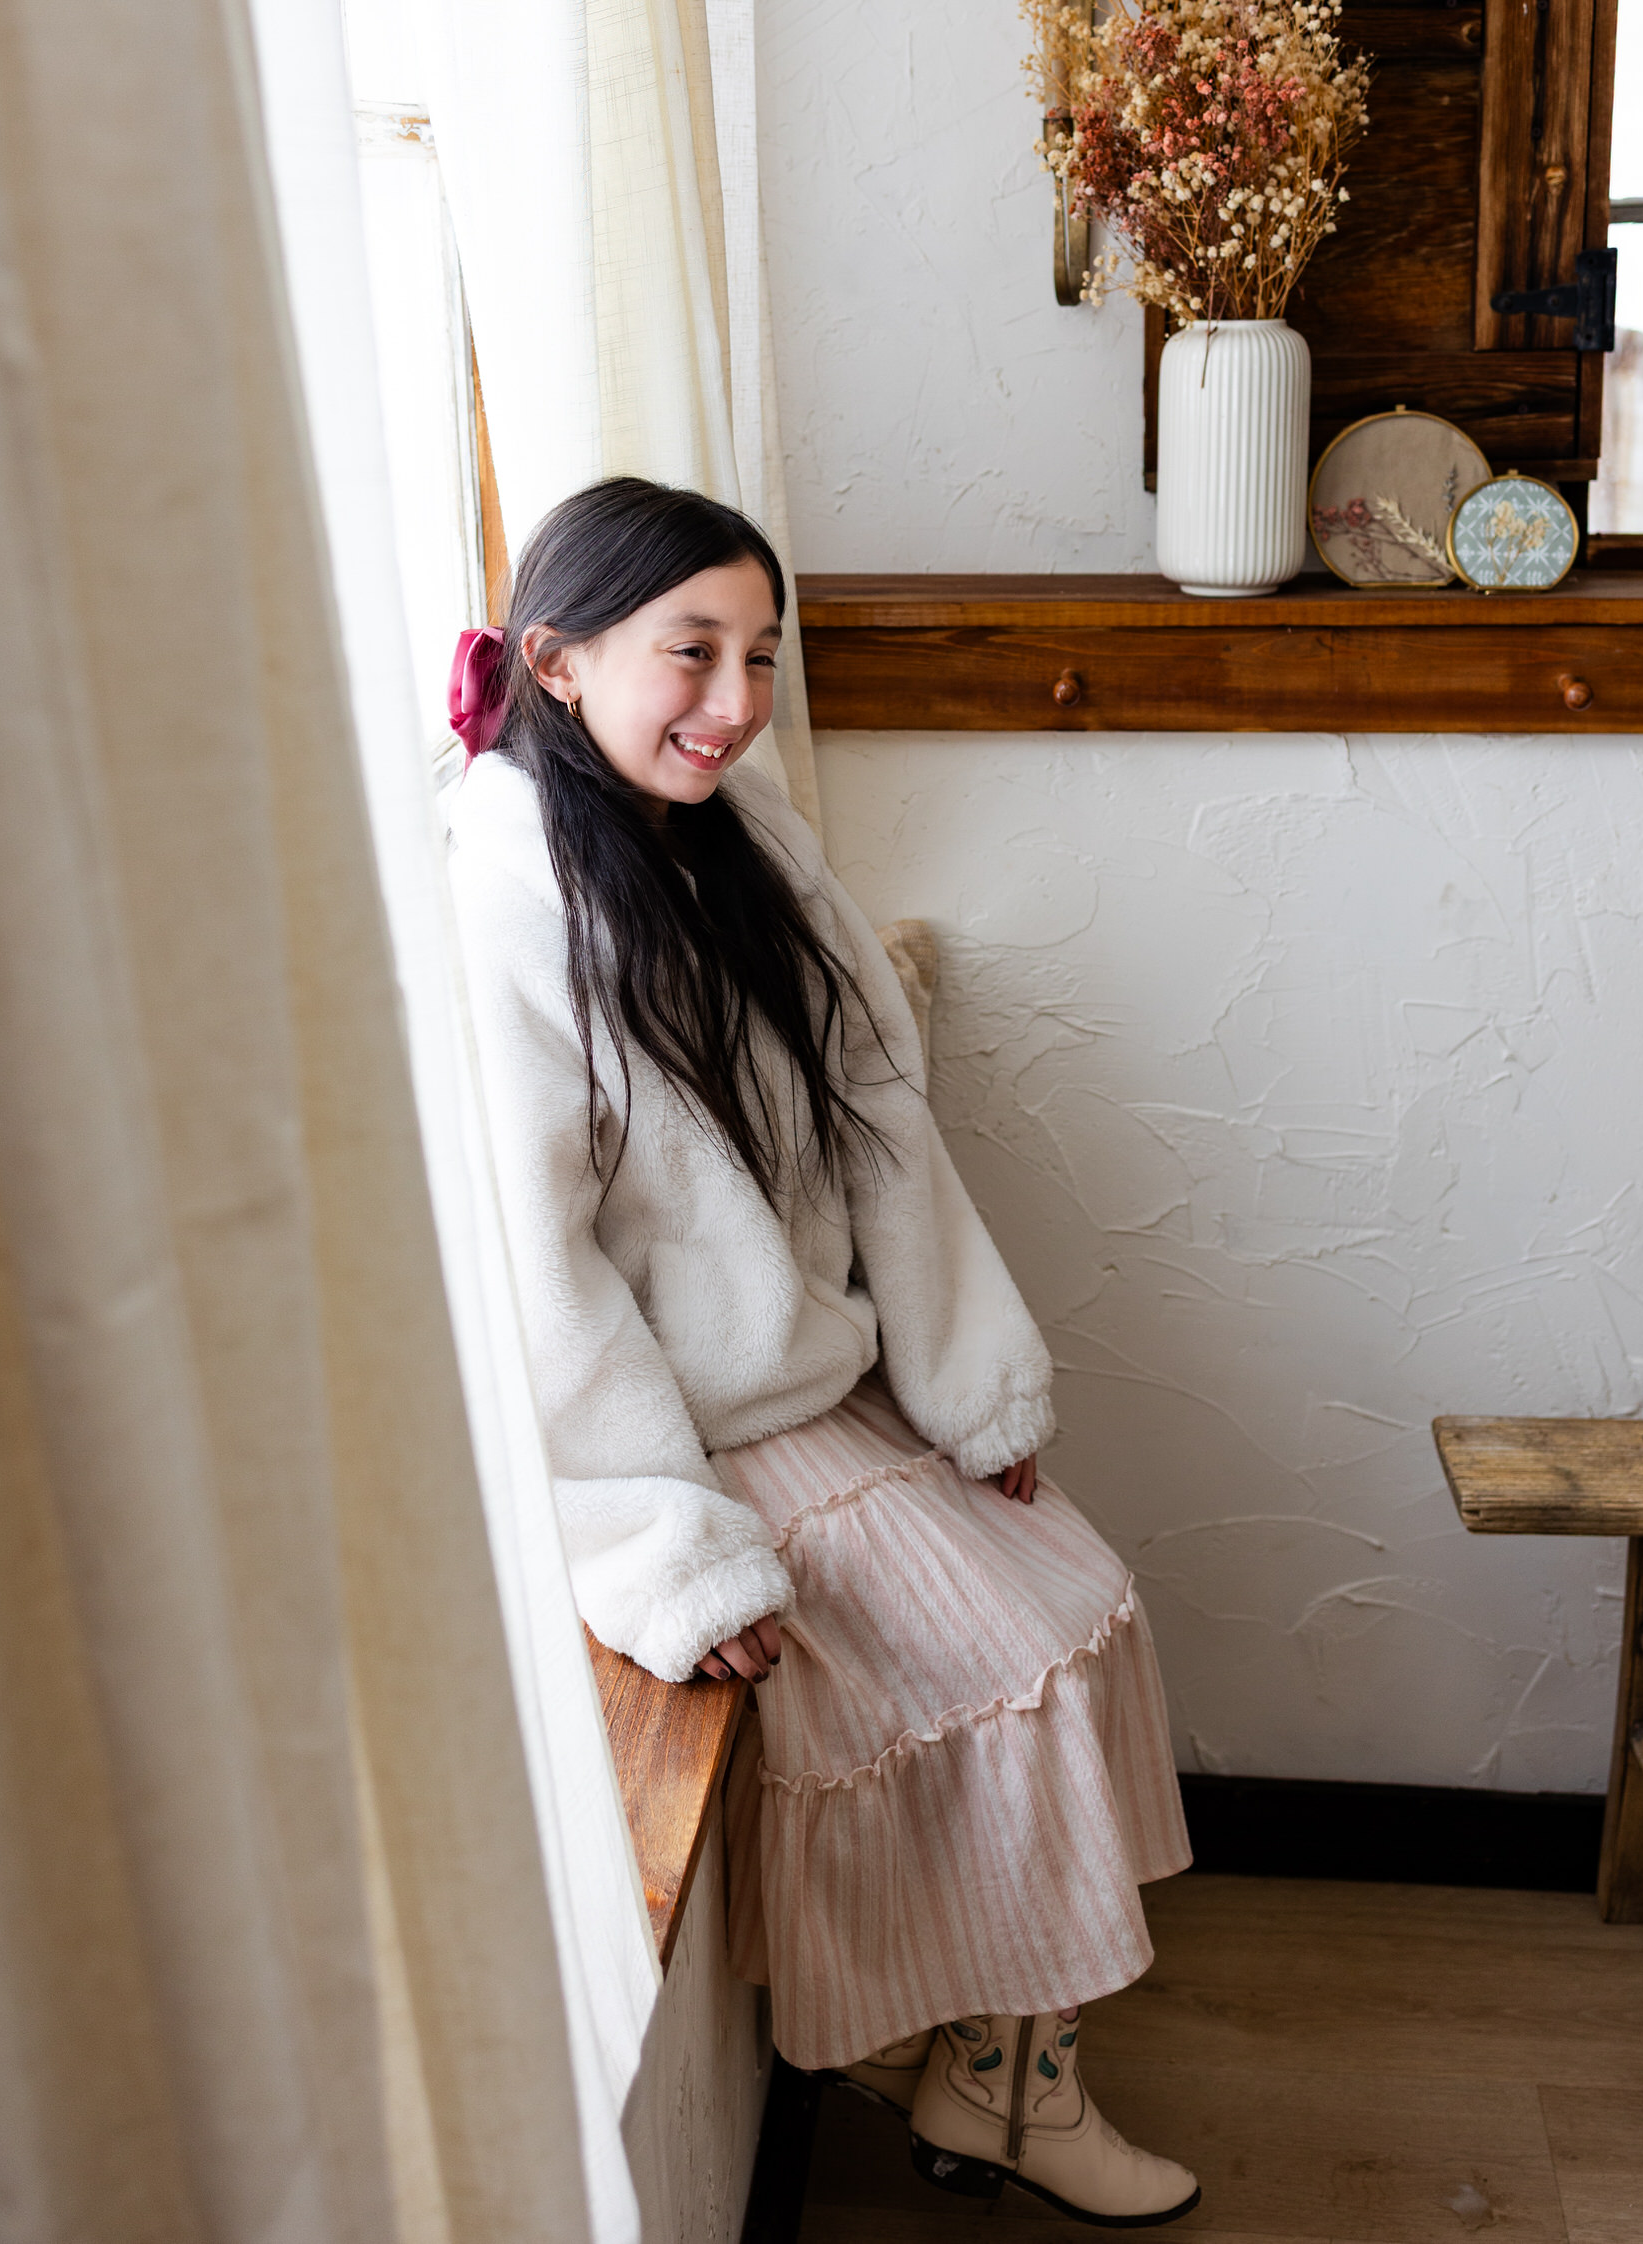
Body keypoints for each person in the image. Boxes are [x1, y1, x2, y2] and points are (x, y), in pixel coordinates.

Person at [445, 477, 1200, 2227]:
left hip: (828, 1375)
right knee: (1030, 1649)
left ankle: (1003, 2084)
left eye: (761, 655)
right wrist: (663, 1550)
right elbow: (530, 1274)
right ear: (557, 665)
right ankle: (975, 2078)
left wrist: (963, 1374)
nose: (733, 701)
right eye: (690, 653)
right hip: (697, 1435)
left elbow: (879, 1104)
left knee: (1085, 1606)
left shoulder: (748, 826)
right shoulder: (500, 901)